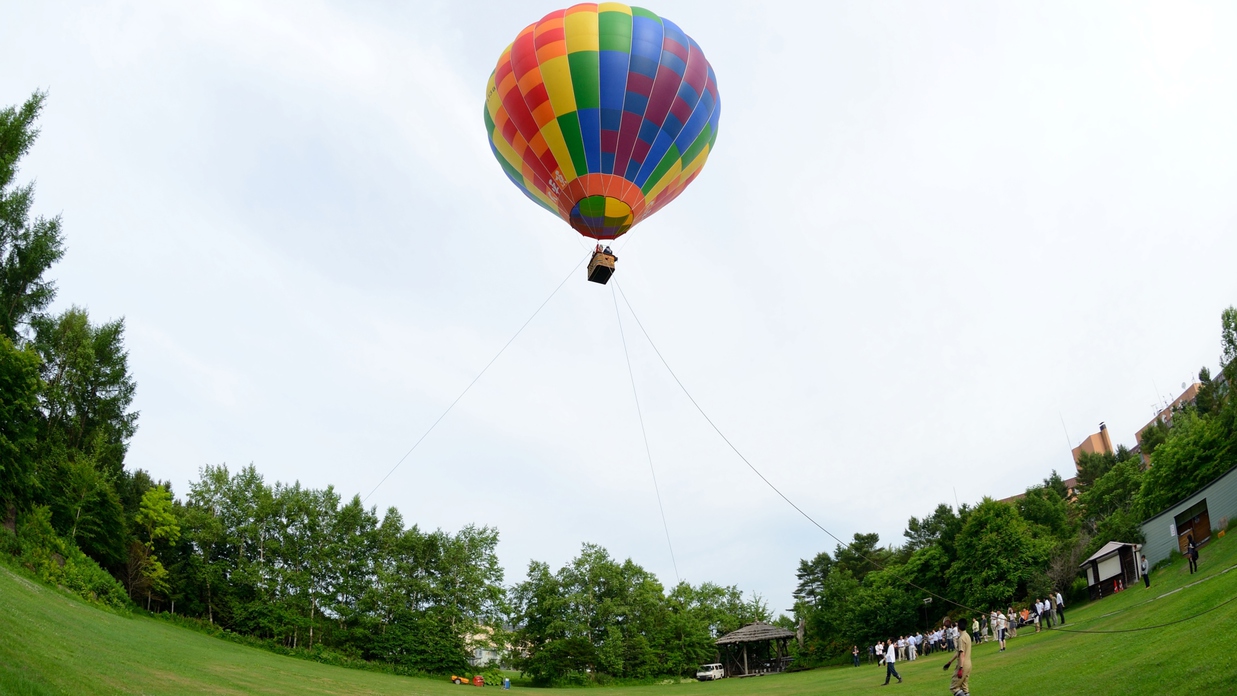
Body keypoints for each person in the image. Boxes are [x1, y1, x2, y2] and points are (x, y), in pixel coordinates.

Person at [942, 617, 972, 696]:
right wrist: (950, 662)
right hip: (969, 664)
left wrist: (961, 668)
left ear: (958, 626)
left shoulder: (961, 638)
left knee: (954, 687)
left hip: (963, 665)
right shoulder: (967, 635)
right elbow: (958, 652)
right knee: (964, 686)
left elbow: (962, 654)